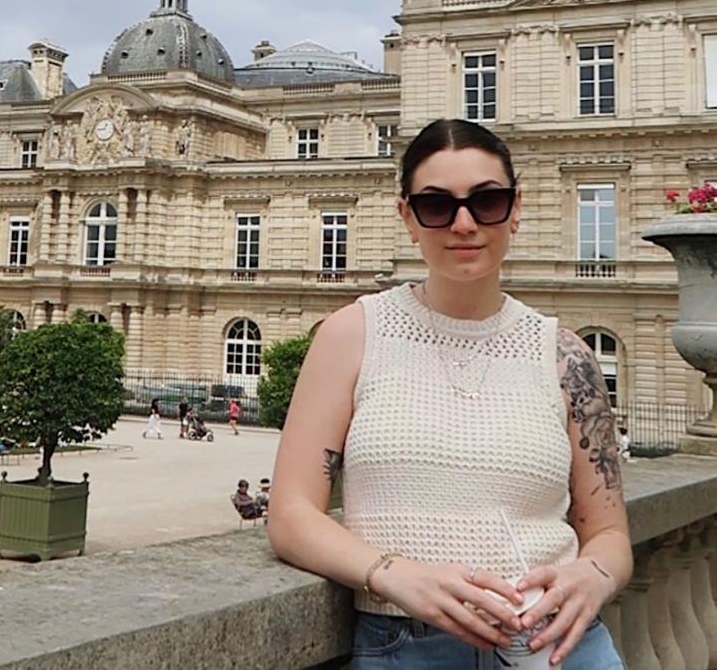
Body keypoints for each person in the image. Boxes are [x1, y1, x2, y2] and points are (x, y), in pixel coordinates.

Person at [268, 119, 631, 669]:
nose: (464, 223)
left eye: (487, 201)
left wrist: (591, 576)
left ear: (515, 208)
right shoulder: (352, 334)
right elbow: (292, 514)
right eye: (437, 206)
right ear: (407, 217)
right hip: (409, 645)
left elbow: (607, 533)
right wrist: (394, 573)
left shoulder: (565, 355)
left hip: (559, 645)